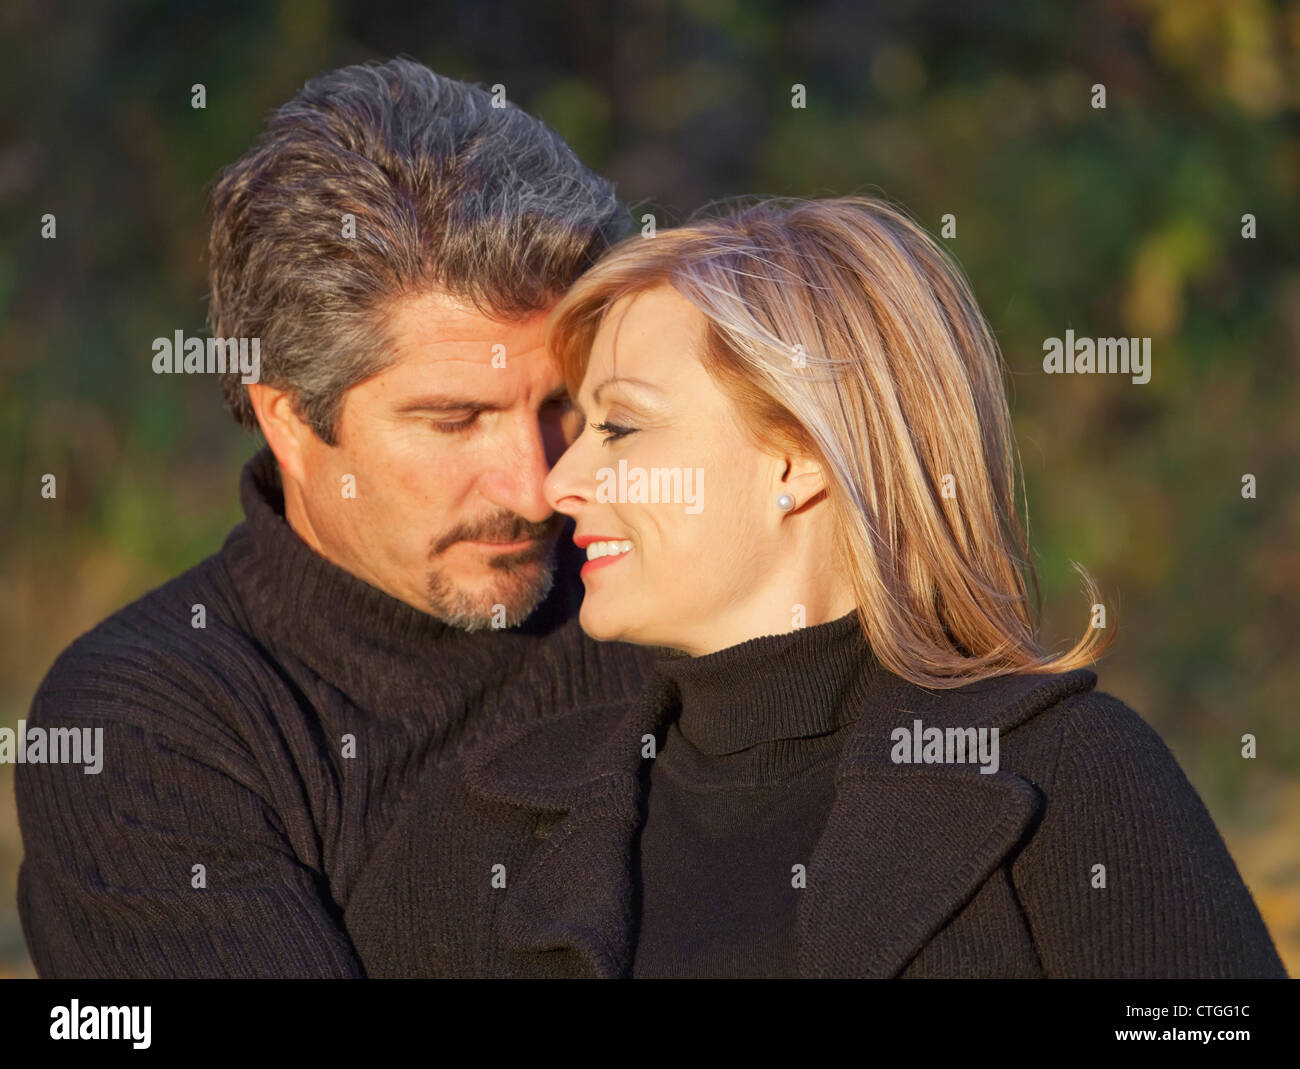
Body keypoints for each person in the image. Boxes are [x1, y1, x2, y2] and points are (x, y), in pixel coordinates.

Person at [356, 196, 1288, 978]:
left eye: (623, 428)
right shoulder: (486, 825)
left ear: (797, 458)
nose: (558, 484)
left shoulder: (1066, 774)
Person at [15, 57, 656, 978]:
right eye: (452, 419)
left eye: (564, 404)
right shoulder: (145, 730)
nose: (537, 485)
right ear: (287, 416)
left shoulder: (667, 608)